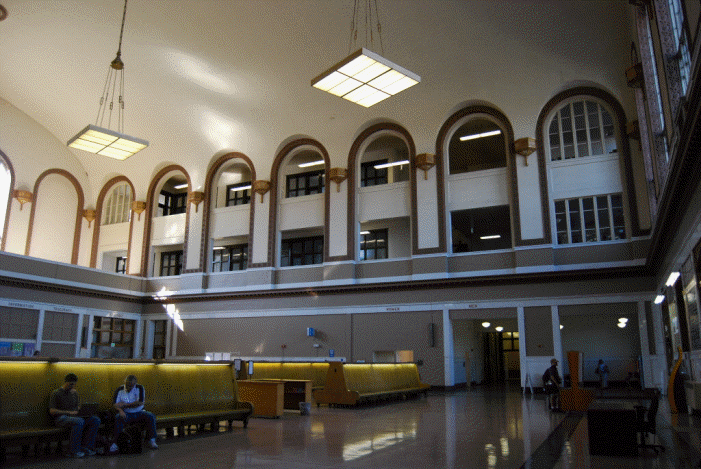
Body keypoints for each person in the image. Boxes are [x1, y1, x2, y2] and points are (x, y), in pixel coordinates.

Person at [49, 373, 101, 458]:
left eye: (74, 384)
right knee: (79, 421)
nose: (72, 386)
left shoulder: (74, 393)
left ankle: (86, 447)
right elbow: (52, 411)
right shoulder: (56, 393)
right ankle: (74, 450)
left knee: (95, 420)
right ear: (66, 383)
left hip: (74, 417)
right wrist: (69, 413)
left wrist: (82, 411)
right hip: (61, 418)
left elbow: (77, 407)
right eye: (70, 384)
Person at [109, 375, 158, 453]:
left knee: (151, 416)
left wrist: (125, 405)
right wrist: (120, 410)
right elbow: (115, 404)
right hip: (126, 413)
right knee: (118, 417)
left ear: (135, 384)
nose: (129, 387)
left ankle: (152, 440)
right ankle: (115, 443)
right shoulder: (119, 389)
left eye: (131, 386)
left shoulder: (140, 388)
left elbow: (140, 402)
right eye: (127, 385)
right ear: (125, 383)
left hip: (139, 412)